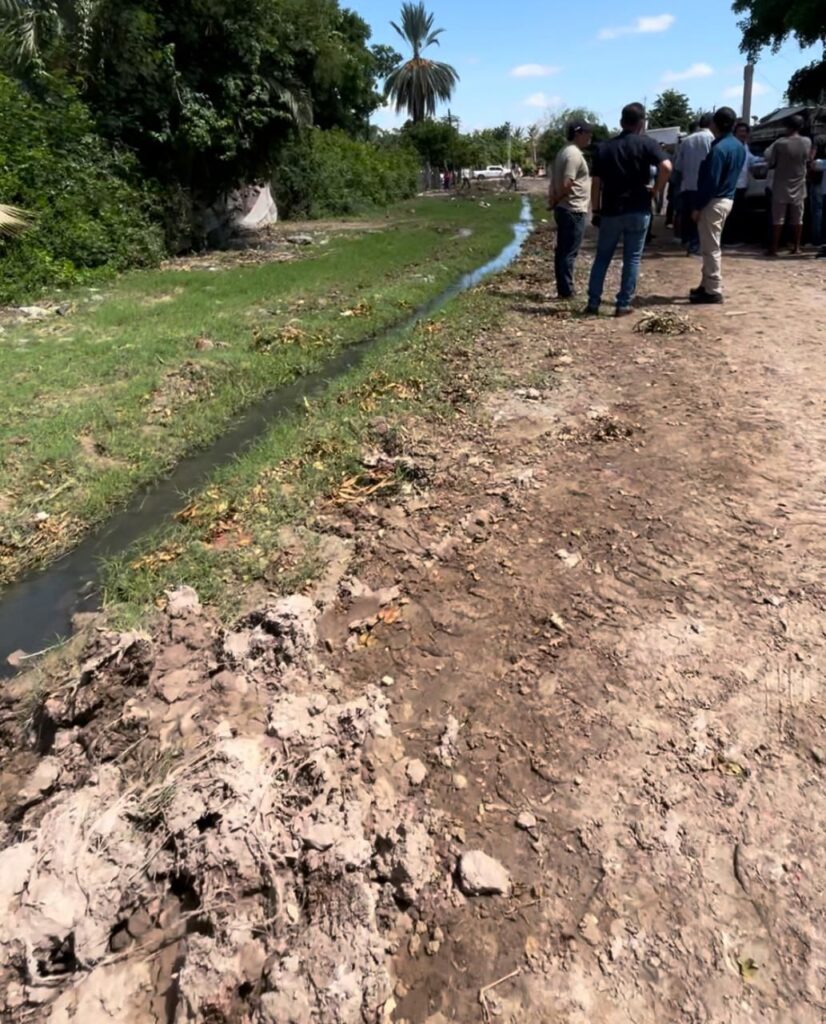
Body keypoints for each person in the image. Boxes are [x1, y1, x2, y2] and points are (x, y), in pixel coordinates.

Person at [586, 102, 671, 317]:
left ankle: (593, 302)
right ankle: (622, 304)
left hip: (611, 210)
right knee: (632, 257)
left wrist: (595, 210)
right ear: (641, 123)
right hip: (638, 208)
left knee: (602, 257)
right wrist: (656, 191)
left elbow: (596, 183)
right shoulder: (647, 144)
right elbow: (667, 167)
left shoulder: (604, 148)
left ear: (621, 122)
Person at [689, 106, 746, 305]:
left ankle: (713, 288)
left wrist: (697, 206)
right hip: (727, 198)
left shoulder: (719, 149)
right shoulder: (738, 146)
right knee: (709, 244)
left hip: (714, 201)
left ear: (715, 123)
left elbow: (710, 182)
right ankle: (705, 284)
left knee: (710, 246)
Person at [549, 121, 593, 299]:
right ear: (578, 133)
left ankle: (564, 289)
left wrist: (554, 200)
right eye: (588, 133)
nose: (590, 136)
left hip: (565, 208)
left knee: (562, 251)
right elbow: (567, 183)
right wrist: (556, 200)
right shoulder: (573, 154)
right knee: (568, 252)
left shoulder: (564, 151)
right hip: (572, 208)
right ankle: (566, 291)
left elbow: (556, 182)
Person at [766, 114, 812, 255]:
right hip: (799, 183)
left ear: (787, 127)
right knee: (798, 218)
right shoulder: (807, 142)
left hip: (781, 183)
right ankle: (796, 247)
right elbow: (808, 159)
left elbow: (771, 160)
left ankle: (774, 248)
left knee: (778, 218)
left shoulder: (780, 143)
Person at [674, 114, 714, 253]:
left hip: (687, 184)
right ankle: (695, 245)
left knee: (687, 215)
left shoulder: (686, 141)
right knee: (701, 217)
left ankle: (686, 241)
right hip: (704, 186)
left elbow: (678, 165)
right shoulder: (712, 140)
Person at [722, 121, 758, 245]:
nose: (743, 134)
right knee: (730, 214)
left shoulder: (745, 146)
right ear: (735, 133)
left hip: (742, 185)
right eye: (740, 131)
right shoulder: (733, 146)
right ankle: (728, 239)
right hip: (732, 185)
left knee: (738, 213)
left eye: (745, 131)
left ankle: (733, 238)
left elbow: (750, 159)